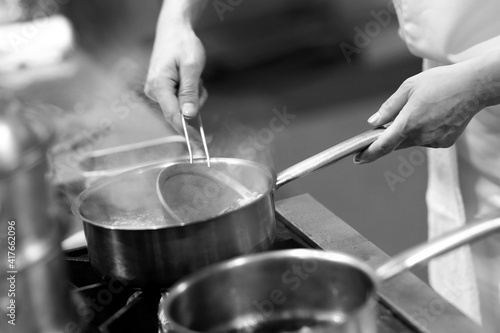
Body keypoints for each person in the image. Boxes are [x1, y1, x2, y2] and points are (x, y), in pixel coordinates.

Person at [145, 0, 500, 330]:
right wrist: (176, 19)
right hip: (455, 96)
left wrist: (479, 84)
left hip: (479, 85)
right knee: (471, 305)